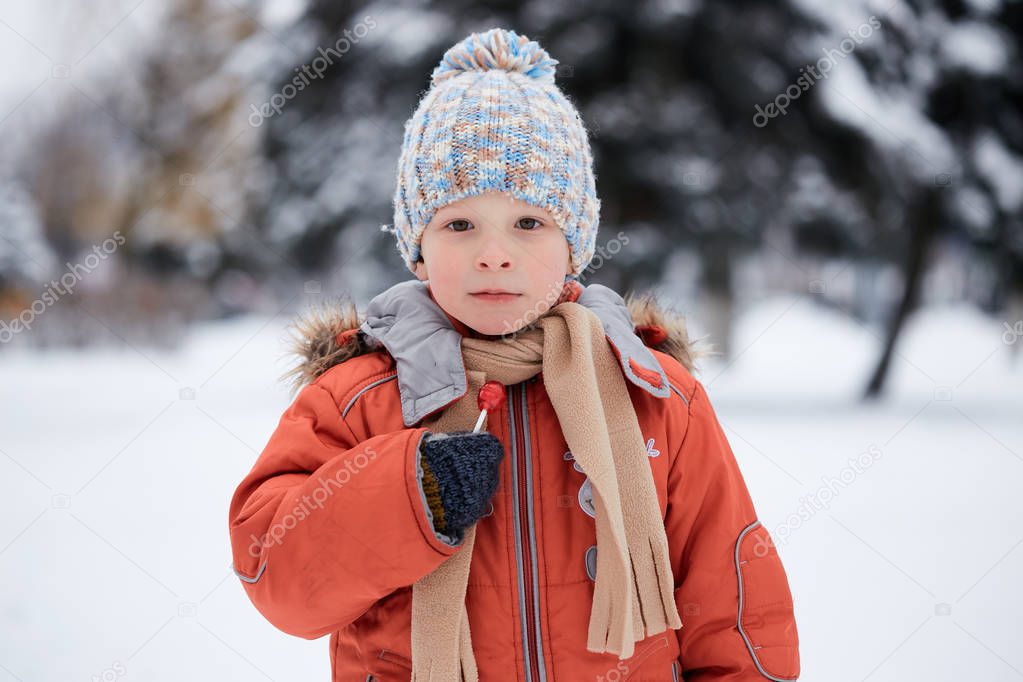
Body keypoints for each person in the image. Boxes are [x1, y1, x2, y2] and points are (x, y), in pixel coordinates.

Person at [228, 27, 800, 682]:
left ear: (573, 245)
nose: (493, 253)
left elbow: (732, 603)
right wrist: (403, 495)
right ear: (417, 249)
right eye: (458, 224)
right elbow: (278, 580)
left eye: (528, 223)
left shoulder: (655, 396)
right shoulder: (356, 399)